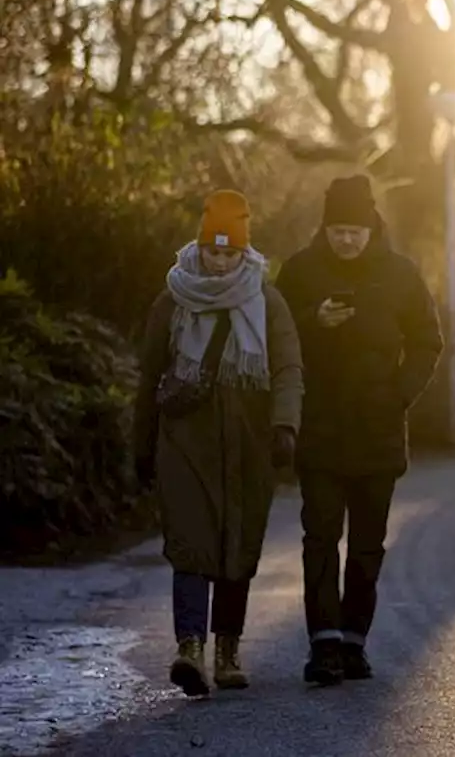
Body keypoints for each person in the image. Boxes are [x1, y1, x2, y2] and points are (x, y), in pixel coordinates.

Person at [133, 190, 303, 696]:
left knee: (238, 545)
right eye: (213, 251)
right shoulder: (171, 299)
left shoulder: (268, 301)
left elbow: (289, 368)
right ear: (200, 246)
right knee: (190, 544)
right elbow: (148, 379)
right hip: (184, 442)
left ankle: (227, 649)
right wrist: (140, 448)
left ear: (244, 252)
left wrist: (284, 426)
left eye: (230, 253)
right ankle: (190, 648)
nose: (221, 260)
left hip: (249, 445)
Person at [275, 175, 443, 686]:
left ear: (371, 227)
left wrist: (398, 394)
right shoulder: (300, 272)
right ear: (325, 227)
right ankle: (323, 641)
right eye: (337, 230)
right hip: (320, 428)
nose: (346, 240)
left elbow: (427, 342)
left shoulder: (401, 274)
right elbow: (274, 338)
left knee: (368, 544)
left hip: (378, 429)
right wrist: (312, 321)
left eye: (355, 231)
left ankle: (354, 641)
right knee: (320, 538)